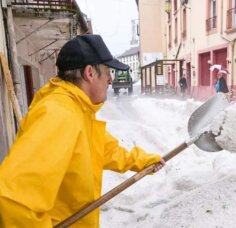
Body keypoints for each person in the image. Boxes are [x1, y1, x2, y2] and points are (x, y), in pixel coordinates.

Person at [0, 34, 165, 227]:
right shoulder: (59, 114)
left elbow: (106, 150)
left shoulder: (79, 110)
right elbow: (14, 200)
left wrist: (143, 161)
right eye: (107, 72)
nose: (110, 80)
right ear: (90, 73)